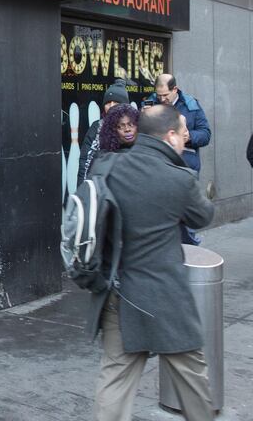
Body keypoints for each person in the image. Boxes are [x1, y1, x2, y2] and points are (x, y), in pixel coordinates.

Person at [89, 105, 214, 421]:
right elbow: (202, 216)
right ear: (170, 136)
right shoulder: (178, 178)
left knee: (115, 381)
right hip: (165, 295)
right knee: (191, 376)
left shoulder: (108, 167)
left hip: (118, 293)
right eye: (182, 132)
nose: (186, 138)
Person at [149, 74, 211, 245]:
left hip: (186, 167)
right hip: (159, 167)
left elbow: (206, 134)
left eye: (165, 95)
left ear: (175, 90)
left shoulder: (191, 105)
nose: (162, 99)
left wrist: (190, 136)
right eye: (158, 95)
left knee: (186, 217)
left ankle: (191, 252)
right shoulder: (150, 104)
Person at [78, 79, 129, 186]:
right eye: (108, 103)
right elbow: (85, 161)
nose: (111, 106)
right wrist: (82, 188)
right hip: (99, 185)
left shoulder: (132, 128)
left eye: (116, 102)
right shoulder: (97, 127)